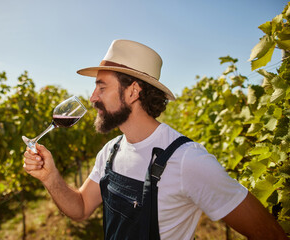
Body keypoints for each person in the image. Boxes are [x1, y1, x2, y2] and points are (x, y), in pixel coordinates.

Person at [23, 39, 287, 239]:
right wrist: (50, 177)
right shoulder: (110, 151)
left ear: (133, 91)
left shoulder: (188, 160)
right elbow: (80, 209)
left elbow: (269, 234)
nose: (92, 98)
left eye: (101, 87)